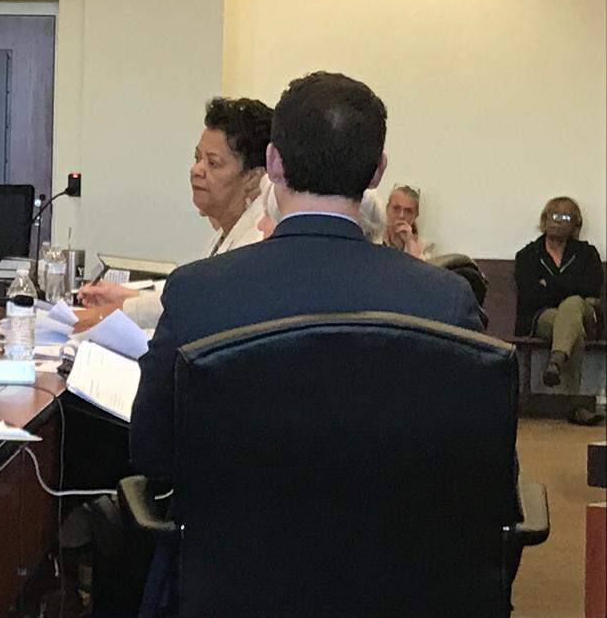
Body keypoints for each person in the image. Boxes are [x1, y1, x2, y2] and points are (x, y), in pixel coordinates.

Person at [130, 71, 482, 483]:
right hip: (391, 543)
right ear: (376, 173)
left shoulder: (198, 292)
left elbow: (150, 451)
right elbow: (481, 467)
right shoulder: (445, 301)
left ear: (273, 162)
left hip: (233, 543)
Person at [76, 97, 272, 329]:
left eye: (213, 163)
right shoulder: (225, 230)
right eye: (197, 158)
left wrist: (102, 317)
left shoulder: (257, 236)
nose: (196, 170)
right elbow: (189, 292)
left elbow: (195, 306)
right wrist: (125, 296)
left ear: (252, 178)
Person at [514, 197, 604, 426]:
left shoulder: (587, 253)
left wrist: (550, 286)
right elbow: (530, 295)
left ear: (576, 225)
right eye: (553, 215)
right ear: (544, 220)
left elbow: (592, 288)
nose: (557, 221)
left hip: (585, 317)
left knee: (573, 304)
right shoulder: (528, 255)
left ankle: (556, 360)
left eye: (565, 217)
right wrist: (571, 287)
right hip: (543, 319)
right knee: (574, 326)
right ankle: (576, 405)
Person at [381, 184, 433, 259]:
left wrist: (410, 242)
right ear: (387, 209)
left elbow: (421, 269)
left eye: (408, 211)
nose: (401, 215)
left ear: (415, 216)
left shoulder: (424, 247)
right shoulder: (373, 238)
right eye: (396, 208)